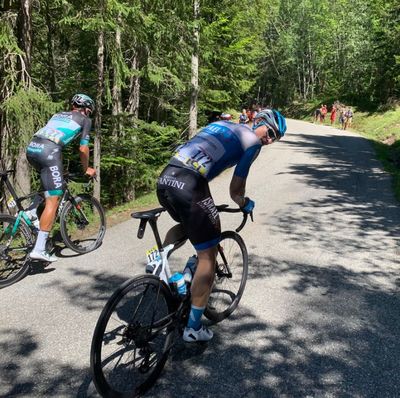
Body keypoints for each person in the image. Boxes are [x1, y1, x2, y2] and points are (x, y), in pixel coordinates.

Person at [156, 108, 287, 342]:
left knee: (192, 224)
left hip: (166, 178)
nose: (268, 140)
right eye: (270, 132)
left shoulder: (220, 125)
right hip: (190, 184)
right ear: (260, 122)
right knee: (208, 255)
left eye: (274, 139)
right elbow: (235, 191)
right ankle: (193, 328)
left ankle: (159, 261)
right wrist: (245, 203)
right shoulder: (252, 143)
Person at [25, 94, 97, 262]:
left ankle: (31, 211)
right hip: (49, 152)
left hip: (32, 149)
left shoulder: (57, 114)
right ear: (87, 108)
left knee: (48, 184)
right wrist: (87, 168)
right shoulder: (85, 119)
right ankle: (39, 248)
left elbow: (54, 136)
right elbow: (83, 148)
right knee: (53, 199)